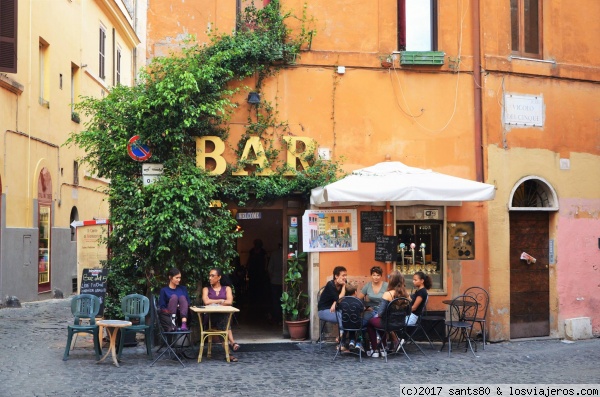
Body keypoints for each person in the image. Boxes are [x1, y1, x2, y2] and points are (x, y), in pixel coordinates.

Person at [366, 270, 409, 358]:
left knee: (370, 322)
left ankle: (375, 350)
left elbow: (380, 313)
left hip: (387, 324)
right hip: (401, 324)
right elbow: (408, 312)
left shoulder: (387, 294)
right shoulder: (406, 295)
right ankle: (383, 348)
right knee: (379, 322)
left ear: (392, 281)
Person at [202, 267, 240, 362]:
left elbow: (230, 301)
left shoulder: (227, 288)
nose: (210, 278)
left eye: (212, 276)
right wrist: (220, 300)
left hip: (224, 316)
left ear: (219, 277)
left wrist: (213, 302)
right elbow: (206, 301)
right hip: (211, 318)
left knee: (223, 323)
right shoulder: (206, 289)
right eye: (209, 276)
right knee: (224, 323)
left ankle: (229, 354)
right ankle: (232, 342)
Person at [267, 243, 284, 324]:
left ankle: (277, 318)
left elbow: (269, 268)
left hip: (274, 281)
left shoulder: (274, 254)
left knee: (275, 301)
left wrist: (272, 278)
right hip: (285, 281)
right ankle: (283, 318)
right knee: (284, 301)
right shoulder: (286, 252)